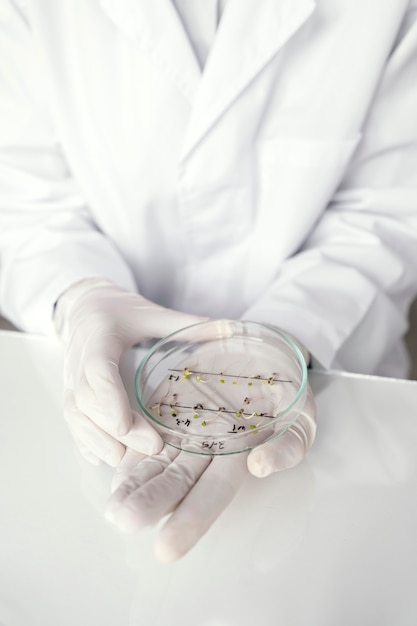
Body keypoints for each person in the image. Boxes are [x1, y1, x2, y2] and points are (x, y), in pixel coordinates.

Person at [0, 0, 416, 561]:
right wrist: (80, 294)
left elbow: (389, 209)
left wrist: (286, 335)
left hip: (337, 402)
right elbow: (24, 197)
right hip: (103, 408)